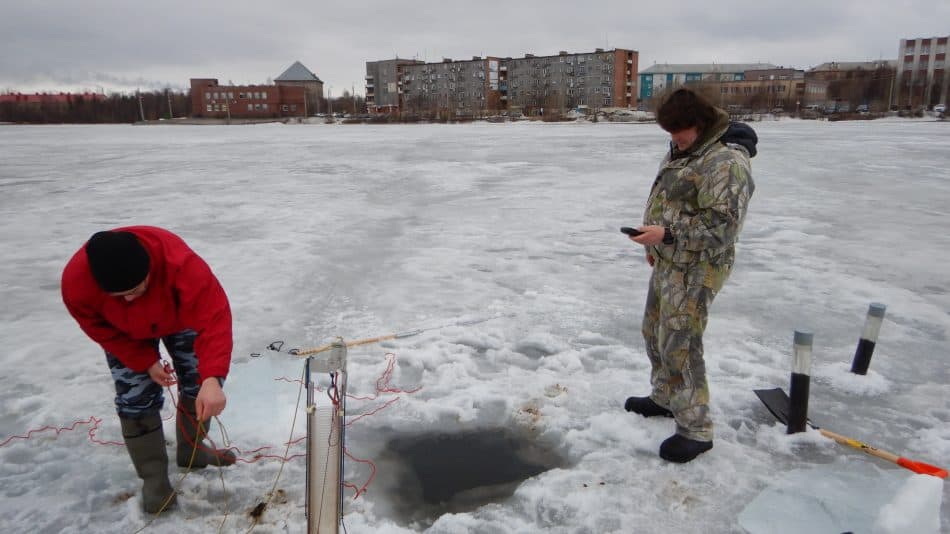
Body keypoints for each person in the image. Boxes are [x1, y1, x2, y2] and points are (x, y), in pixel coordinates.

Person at [62, 226, 237, 513]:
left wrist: (212, 378)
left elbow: (214, 316)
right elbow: (97, 327)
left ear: (150, 271)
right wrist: (143, 360)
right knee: (135, 397)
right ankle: (154, 480)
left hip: (179, 317)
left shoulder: (180, 264)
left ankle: (192, 451)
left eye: (134, 290)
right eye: (119, 295)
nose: (129, 298)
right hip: (124, 332)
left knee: (197, 382)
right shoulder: (76, 283)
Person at [625, 88, 756, 463]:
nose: (673, 138)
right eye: (670, 131)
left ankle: (696, 429)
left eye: (679, 131)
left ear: (699, 124)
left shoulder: (725, 162)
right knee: (654, 330)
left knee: (680, 341)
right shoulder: (687, 148)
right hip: (671, 257)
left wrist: (668, 236)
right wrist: (656, 244)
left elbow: (724, 226)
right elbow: (669, 201)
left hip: (700, 265)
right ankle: (665, 397)